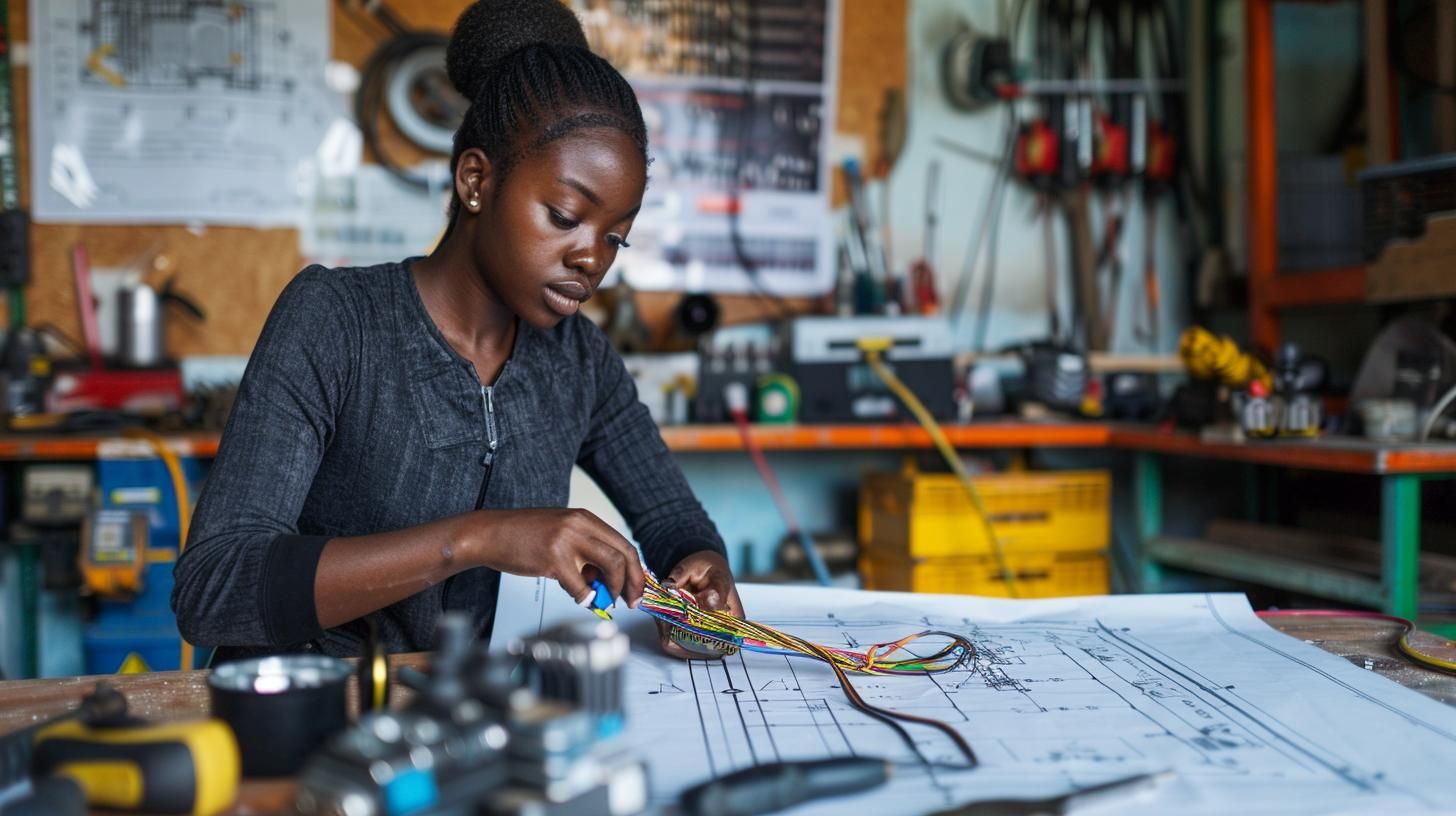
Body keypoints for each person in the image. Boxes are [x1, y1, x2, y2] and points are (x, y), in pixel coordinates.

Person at [172, 0, 742, 663]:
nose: (591, 257)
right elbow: (215, 588)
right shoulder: (337, 320)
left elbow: (674, 521)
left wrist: (702, 572)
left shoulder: (578, 358)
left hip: (473, 724)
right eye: (564, 215)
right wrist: (476, 539)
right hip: (316, 722)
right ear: (477, 180)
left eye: (615, 237)